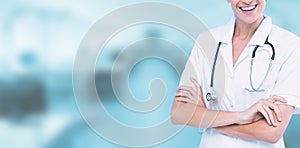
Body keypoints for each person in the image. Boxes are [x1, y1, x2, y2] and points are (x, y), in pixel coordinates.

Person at [171, 0, 300, 147]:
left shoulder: (290, 46)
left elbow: (271, 132)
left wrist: (205, 117)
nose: (247, 1)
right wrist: (242, 116)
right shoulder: (207, 41)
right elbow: (180, 112)